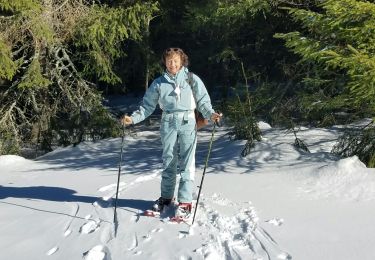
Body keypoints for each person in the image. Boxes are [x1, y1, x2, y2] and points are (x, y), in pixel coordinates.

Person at [122, 47, 221, 219]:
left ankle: (185, 202)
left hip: (188, 121)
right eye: (169, 61)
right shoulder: (159, 83)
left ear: (182, 61)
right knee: (168, 160)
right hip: (167, 122)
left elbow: (203, 102)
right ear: (165, 62)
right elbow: (147, 106)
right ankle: (166, 198)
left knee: (187, 163)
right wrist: (133, 119)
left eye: (175, 60)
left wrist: (211, 115)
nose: (172, 64)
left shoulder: (191, 79)